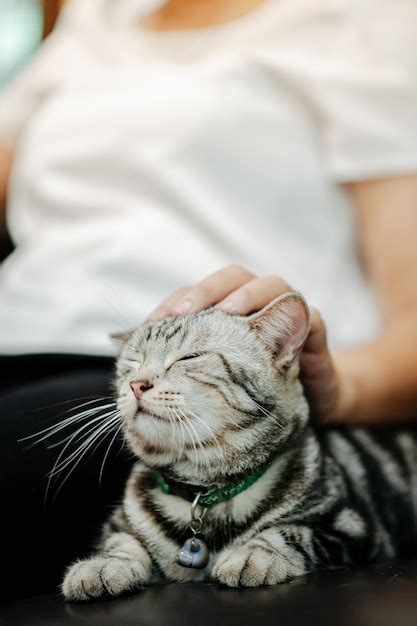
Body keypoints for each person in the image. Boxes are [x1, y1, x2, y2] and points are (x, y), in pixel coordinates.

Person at [0, 0, 416, 600]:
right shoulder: (94, 15)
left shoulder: (371, 18)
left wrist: (336, 389)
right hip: (47, 341)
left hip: (167, 397)